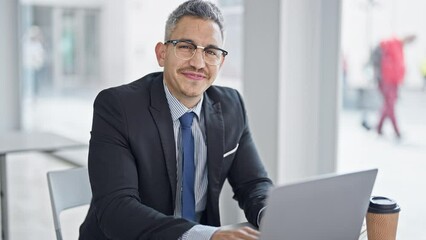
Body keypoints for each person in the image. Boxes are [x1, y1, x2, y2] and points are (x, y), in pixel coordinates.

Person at [79, 1, 273, 239]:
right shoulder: (118, 107)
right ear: (162, 53)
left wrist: (272, 218)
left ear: (220, 62)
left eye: (211, 52)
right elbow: (117, 210)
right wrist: (207, 236)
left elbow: (253, 184)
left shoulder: (232, 106)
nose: (198, 63)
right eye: (185, 46)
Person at [372, 35, 416, 138]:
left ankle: (379, 128)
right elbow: (377, 54)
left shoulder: (400, 49)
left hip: (393, 81)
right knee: (390, 105)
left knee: (388, 105)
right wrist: (378, 76)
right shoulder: (391, 43)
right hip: (386, 80)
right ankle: (395, 130)